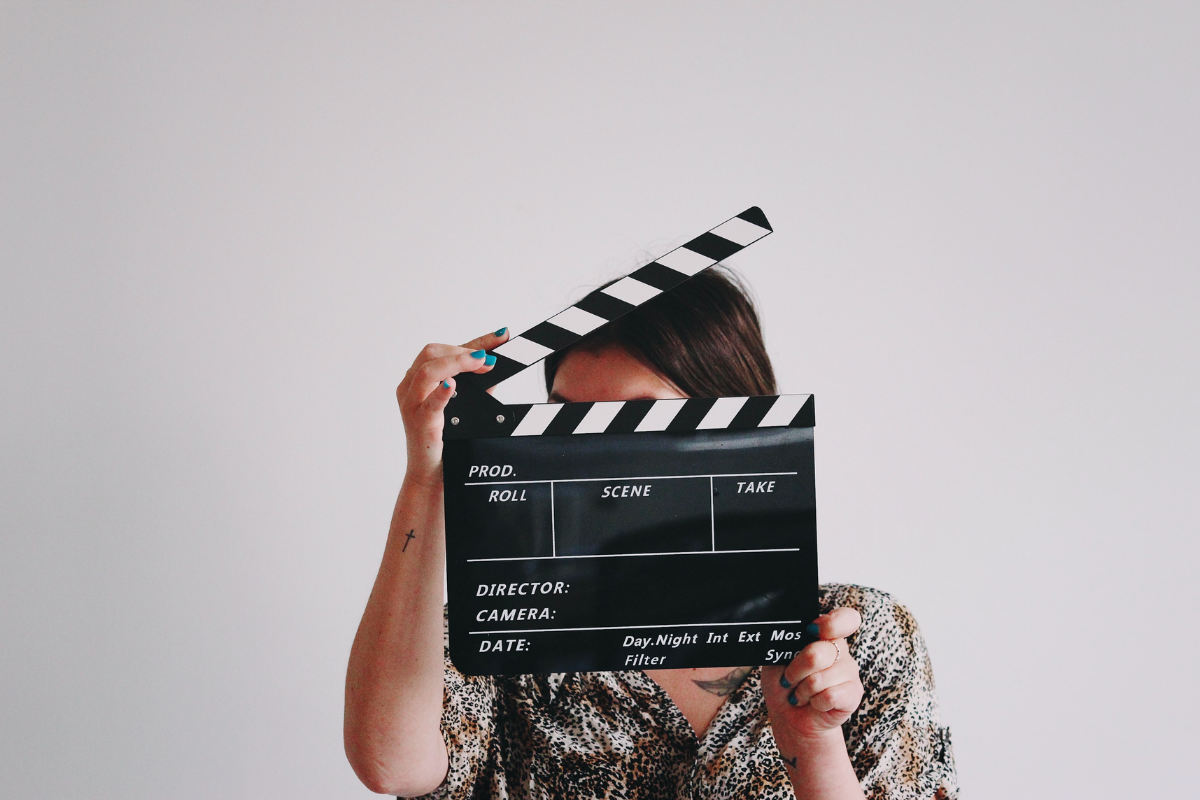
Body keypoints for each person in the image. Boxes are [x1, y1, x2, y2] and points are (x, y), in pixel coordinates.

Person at [345, 267, 958, 799]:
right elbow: (389, 763)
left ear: (733, 428)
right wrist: (428, 476)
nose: (589, 456)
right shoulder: (507, 630)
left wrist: (814, 746)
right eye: (566, 420)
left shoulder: (857, 639)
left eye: (634, 420)